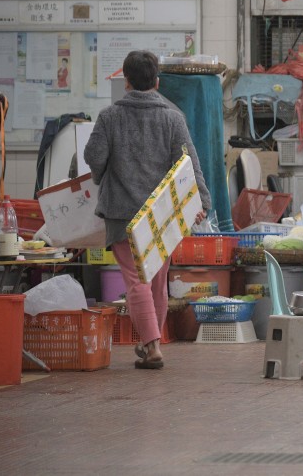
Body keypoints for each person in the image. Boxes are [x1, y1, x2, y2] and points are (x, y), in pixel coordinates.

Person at [84, 50, 210, 370]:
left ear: (125, 82)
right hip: (161, 215)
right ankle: (150, 342)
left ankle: (152, 346)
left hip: (122, 213)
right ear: (157, 81)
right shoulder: (172, 118)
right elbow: (188, 165)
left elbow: (94, 157)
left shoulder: (109, 117)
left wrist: (102, 174)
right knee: (155, 281)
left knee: (136, 281)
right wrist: (202, 203)